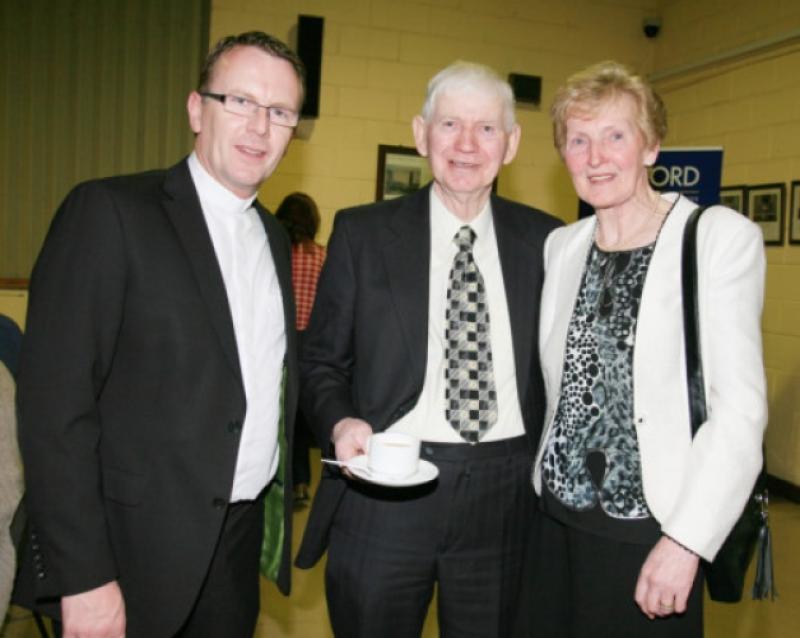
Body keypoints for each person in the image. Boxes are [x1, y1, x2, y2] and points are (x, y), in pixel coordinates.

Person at [15, 31, 302, 638]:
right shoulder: (110, 213)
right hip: (128, 553)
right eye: (240, 101)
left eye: (280, 112)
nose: (259, 127)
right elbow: (53, 409)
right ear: (197, 109)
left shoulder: (275, 239)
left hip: (234, 549)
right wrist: (84, 576)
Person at [295, 61, 561, 637]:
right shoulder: (362, 235)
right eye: (449, 125)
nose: (467, 145)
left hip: (506, 495)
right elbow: (320, 362)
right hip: (386, 489)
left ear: (511, 144)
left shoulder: (548, 242)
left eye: (487, 129)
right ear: (421, 135)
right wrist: (339, 423)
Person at [529, 60, 767, 637]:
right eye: (578, 140)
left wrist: (686, 540)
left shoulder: (714, 239)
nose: (595, 156)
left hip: (651, 532)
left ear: (651, 146)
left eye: (616, 136)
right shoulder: (562, 246)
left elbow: (740, 413)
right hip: (554, 524)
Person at [275, 192, 327, 505]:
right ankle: (304, 483)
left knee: (280, 416)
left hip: (278, 341)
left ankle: (283, 481)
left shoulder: (275, 250)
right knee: (301, 417)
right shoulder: (321, 256)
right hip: (310, 343)